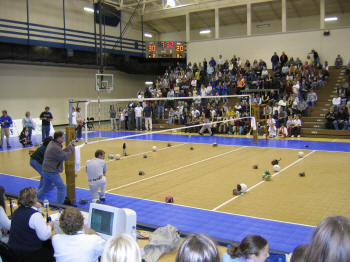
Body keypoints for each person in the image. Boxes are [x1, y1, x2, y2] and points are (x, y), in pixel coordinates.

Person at [8, 187, 54, 262]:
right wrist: (50, 225)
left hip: (13, 253)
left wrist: (38, 208)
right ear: (34, 199)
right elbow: (44, 236)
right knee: (52, 251)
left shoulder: (16, 212)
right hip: (30, 254)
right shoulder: (34, 215)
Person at [38, 131, 74, 204]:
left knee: (45, 188)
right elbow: (65, 156)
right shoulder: (55, 147)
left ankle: (34, 199)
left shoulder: (53, 143)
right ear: (58, 138)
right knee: (61, 187)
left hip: (46, 170)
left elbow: (61, 153)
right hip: (51, 171)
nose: (63, 139)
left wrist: (68, 148)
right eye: (62, 138)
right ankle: (59, 206)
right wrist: (71, 149)